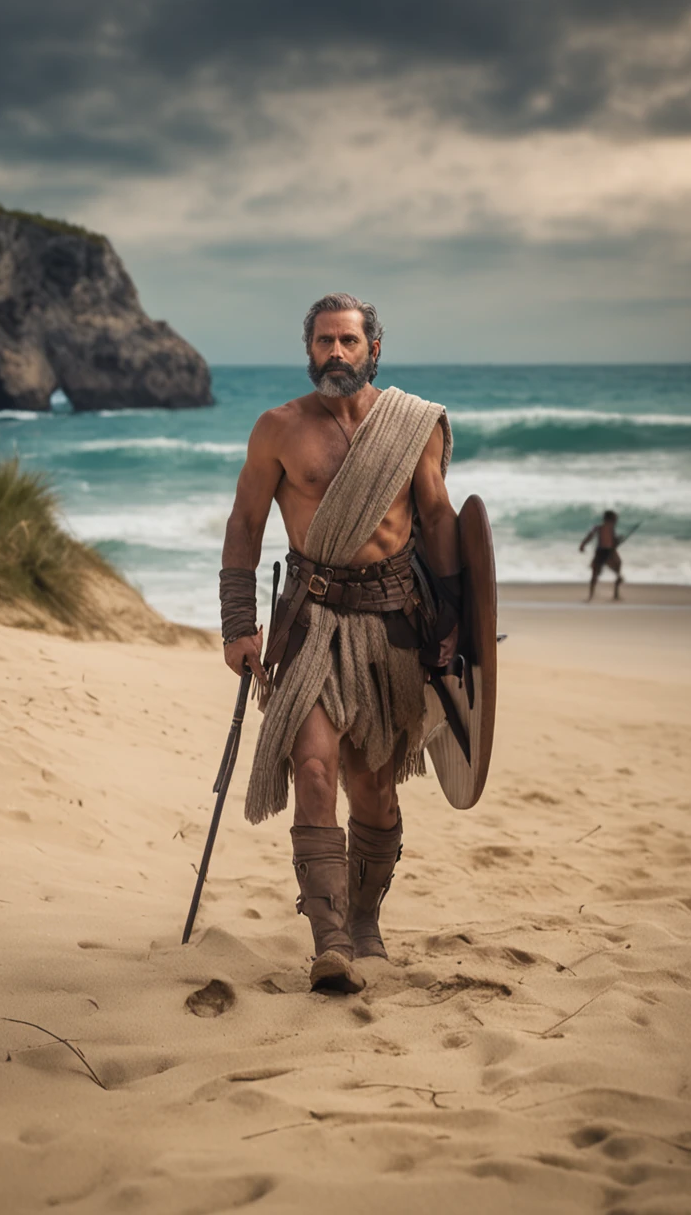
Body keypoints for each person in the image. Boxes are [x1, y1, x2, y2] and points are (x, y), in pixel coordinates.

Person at [219, 292, 461, 995]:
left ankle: (363, 920)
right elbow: (244, 522)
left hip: (392, 624)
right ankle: (329, 942)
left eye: (349, 342)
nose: (335, 353)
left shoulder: (414, 426)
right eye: (324, 341)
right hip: (311, 622)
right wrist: (239, 623)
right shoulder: (279, 429)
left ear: (373, 349)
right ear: (309, 349)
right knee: (316, 770)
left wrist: (454, 619)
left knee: (375, 789)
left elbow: (441, 521)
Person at [580, 510, 624, 601]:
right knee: (596, 574)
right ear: (609, 519)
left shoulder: (603, 528)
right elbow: (591, 536)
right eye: (615, 519)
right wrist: (583, 544)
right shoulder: (602, 528)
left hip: (606, 552)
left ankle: (593, 595)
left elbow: (613, 541)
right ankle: (614, 593)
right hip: (605, 552)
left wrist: (583, 544)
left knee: (597, 574)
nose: (616, 521)